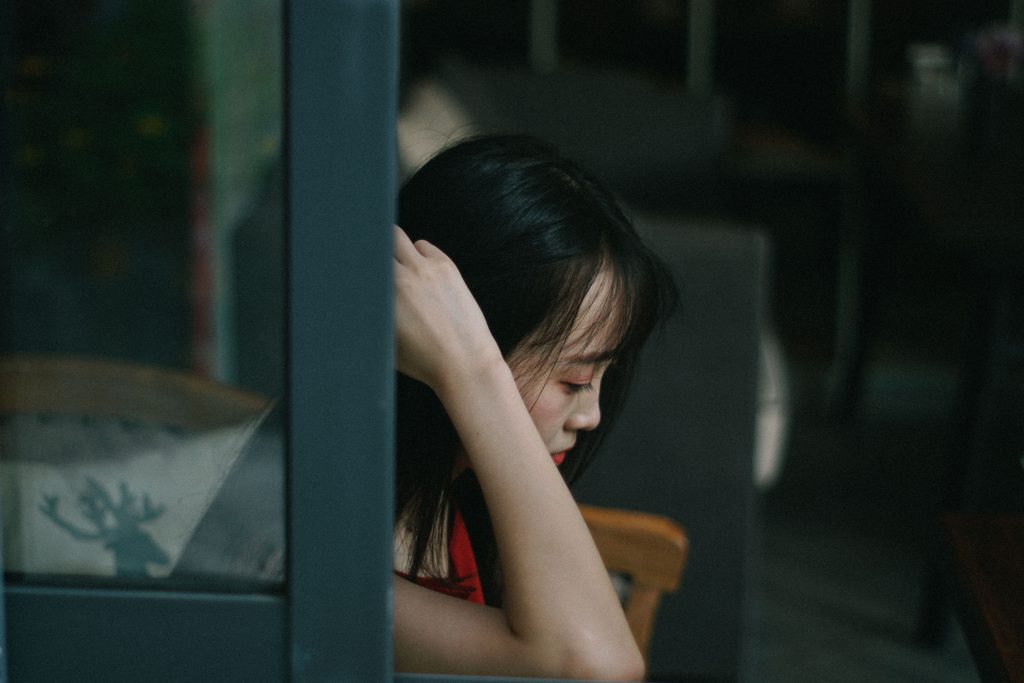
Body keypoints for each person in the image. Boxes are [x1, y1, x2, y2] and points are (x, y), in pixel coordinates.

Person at [393, 134, 674, 680]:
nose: (591, 415)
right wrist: (473, 375)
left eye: (602, 378)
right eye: (574, 380)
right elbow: (597, 668)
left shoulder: (455, 494)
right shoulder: (327, 552)